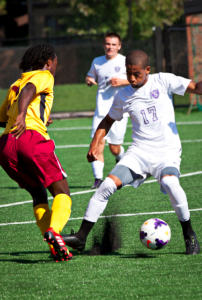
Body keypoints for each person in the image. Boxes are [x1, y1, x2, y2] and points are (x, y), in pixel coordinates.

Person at [62, 49, 201, 255]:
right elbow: (108, 120)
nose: (132, 78)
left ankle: (189, 236)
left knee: (171, 183)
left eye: (137, 74)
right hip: (138, 153)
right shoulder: (123, 95)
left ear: (147, 70)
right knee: (107, 185)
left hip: (166, 153)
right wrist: (95, 143)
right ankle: (81, 237)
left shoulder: (163, 81)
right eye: (129, 73)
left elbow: (195, 87)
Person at [0, 44, 73, 262]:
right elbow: (30, 89)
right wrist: (23, 115)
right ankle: (55, 232)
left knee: (38, 194)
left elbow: (2, 118)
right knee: (62, 192)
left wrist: (31, 115)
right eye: (55, 64)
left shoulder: (15, 83)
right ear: (49, 62)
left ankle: (52, 243)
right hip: (30, 139)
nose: (55, 69)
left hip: (6, 146)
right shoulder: (43, 75)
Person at [86, 32, 130, 189]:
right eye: (107, 44)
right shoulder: (97, 61)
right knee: (97, 143)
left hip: (120, 111)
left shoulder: (126, 61)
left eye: (113, 44)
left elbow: (138, 79)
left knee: (114, 147)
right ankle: (98, 179)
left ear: (119, 46)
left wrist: (122, 81)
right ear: (103, 45)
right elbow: (90, 76)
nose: (110, 47)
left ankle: (120, 156)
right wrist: (90, 80)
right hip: (101, 111)